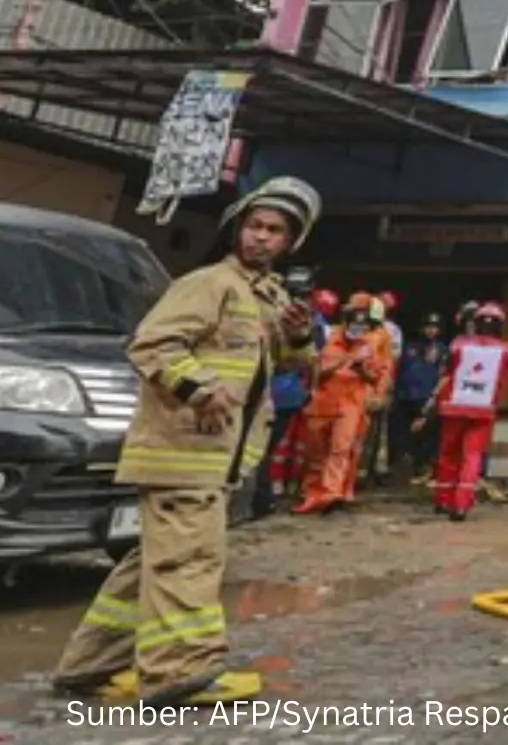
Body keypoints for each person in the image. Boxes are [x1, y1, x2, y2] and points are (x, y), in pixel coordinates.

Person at [51, 177, 321, 707]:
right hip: (184, 454)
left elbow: (287, 368)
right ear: (237, 228)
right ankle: (178, 672)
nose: (261, 238)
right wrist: (199, 387)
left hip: (213, 457)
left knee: (153, 562)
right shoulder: (209, 283)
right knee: (190, 561)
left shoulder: (264, 297)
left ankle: (88, 665)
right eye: (255, 226)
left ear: (291, 243)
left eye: (275, 231)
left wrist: (298, 335)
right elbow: (151, 343)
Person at [294, 295, 391, 514]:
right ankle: (312, 494)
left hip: (351, 404)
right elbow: (314, 371)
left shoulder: (371, 344)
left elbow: (378, 374)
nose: (358, 329)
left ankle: (331, 494)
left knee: (341, 449)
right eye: (354, 324)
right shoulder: (327, 338)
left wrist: (363, 371)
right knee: (316, 453)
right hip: (321, 404)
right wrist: (342, 361)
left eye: (362, 325)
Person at [423, 302, 508, 520]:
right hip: (483, 411)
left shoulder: (458, 345)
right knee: (471, 457)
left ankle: (442, 499)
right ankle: (461, 504)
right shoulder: (506, 350)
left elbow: (447, 371)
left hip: (454, 407)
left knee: (448, 455)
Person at [250, 288, 333, 519]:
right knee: (268, 448)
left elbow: (311, 360)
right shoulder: (310, 325)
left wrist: (312, 388)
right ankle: (266, 496)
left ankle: (263, 499)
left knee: (264, 448)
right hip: (285, 393)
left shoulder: (308, 327)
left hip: (280, 394)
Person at [392, 312, 448, 482]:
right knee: (400, 434)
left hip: (426, 397)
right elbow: (400, 370)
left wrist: (434, 397)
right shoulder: (410, 347)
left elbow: (443, 375)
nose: (431, 331)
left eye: (434, 328)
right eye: (428, 327)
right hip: (405, 396)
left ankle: (421, 468)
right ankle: (399, 469)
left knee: (424, 435)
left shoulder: (441, 350)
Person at [357, 292, 404, 487]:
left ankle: (374, 470)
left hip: (378, 383)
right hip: (359, 385)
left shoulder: (390, 331)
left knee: (377, 430)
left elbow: (391, 360)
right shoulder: (356, 328)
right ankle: (360, 471)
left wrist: (383, 387)